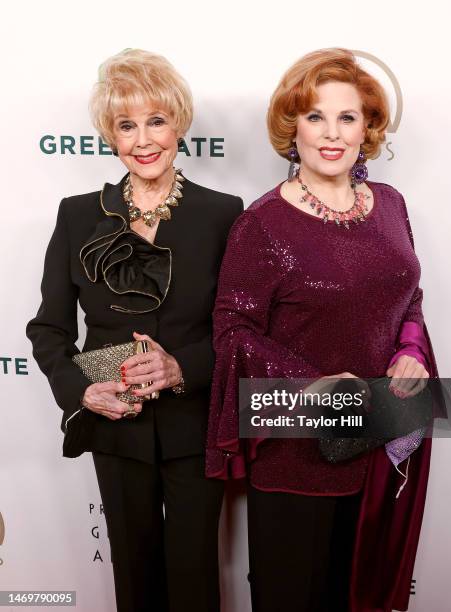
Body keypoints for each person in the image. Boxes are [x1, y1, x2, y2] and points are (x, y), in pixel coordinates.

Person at [206, 48, 441, 612]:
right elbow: (231, 330)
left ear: (368, 127)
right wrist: (311, 382)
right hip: (297, 448)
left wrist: (412, 350)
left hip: (384, 436)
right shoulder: (261, 223)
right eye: (315, 117)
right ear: (294, 129)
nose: (331, 134)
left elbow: (409, 296)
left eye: (347, 117)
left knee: (359, 595)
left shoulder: (390, 204)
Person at [26, 49, 243, 612]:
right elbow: (49, 328)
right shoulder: (77, 215)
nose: (144, 140)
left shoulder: (223, 213)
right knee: (134, 579)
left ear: (179, 125)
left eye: (156, 121)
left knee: (196, 577)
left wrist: (180, 367)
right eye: (127, 125)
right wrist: (80, 391)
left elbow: (239, 331)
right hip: (113, 426)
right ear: (109, 135)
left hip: (195, 425)